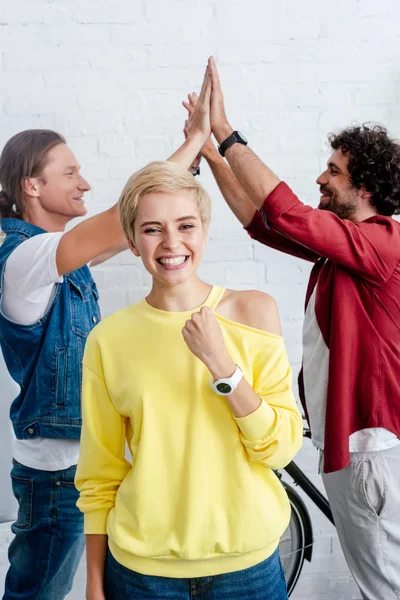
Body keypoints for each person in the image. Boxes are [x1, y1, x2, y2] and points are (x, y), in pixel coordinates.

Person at [75, 71, 303, 600]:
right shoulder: (109, 339)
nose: (170, 242)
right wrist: (93, 580)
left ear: (203, 231)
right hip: (142, 572)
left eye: (185, 225)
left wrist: (224, 368)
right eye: (152, 229)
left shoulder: (253, 311)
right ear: (132, 242)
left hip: (247, 568)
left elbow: (279, 448)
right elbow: (99, 475)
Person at [185, 57, 400, 600]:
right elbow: (264, 223)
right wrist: (209, 150)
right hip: (354, 451)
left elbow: (286, 211)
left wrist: (229, 132)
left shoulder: (381, 243)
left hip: (370, 454)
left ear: (366, 186)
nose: (321, 178)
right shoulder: (344, 253)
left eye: (334, 171)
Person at [0, 129, 128, 600]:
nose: (85, 183)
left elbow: (121, 235)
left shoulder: (57, 260)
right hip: (56, 476)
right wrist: (194, 141)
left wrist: (191, 162)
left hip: (78, 465)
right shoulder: (26, 257)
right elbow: (120, 220)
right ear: (31, 186)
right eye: (70, 172)